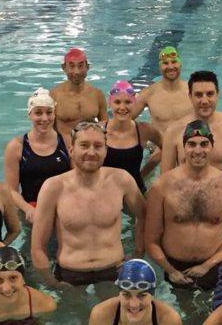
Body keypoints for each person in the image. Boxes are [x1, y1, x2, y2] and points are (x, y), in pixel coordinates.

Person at [32, 121, 146, 288]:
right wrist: (52, 283)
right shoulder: (54, 187)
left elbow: (145, 216)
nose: (91, 152)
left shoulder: (121, 180)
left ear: (106, 151)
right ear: (71, 150)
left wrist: (138, 255)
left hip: (114, 269)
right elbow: (38, 247)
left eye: (98, 146)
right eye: (84, 145)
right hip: (70, 274)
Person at [145, 120, 222, 290]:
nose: (198, 150)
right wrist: (170, 270)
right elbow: (151, 240)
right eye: (191, 144)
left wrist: (208, 265)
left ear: (212, 147)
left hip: (214, 264)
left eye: (204, 144)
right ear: (184, 147)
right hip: (173, 265)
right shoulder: (162, 186)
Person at [160, 71, 222, 180]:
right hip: (187, 196)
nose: (205, 101)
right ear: (190, 96)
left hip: (221, 194)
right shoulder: (173, 131)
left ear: (218, 95)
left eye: (210, 94)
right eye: (198, 95)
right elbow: (165, 179)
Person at [3, 88, 71, 225]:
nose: (44, 118)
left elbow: (78, 179)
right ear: (30, 115)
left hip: (64, 210)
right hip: (32, 211)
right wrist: (28, 209)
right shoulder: (16, 147)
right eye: (38, 113)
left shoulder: (67, 141)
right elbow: (11, 190)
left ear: (54, 114)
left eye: (49, 112)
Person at [103, 80, 161, 193]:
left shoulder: (144, 130)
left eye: (128, 102)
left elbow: (168, 147)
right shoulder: (100, 130)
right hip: (106, 194)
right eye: (117, 102)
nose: (122, 107)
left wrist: (145, 171)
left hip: (136, 192)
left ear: (134, 103)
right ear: (110, 103)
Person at [129, 46, 191, 135]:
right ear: (159, 67)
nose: (170, 67)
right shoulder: (148, 93)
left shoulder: (192, 91)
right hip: (160, 147)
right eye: (165, 63)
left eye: (174, 62)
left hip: (187, 147)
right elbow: (124, 121)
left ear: (180, 64)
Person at [49, 48, 107, 135]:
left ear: (87, 67)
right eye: (72, 66)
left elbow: (105, 126)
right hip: (64, 146)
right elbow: (46, 129)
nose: (77, 72)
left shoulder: (97, 95)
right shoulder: (54, 96)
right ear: (64, 68)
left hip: (88, 145)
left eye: (80, 66)